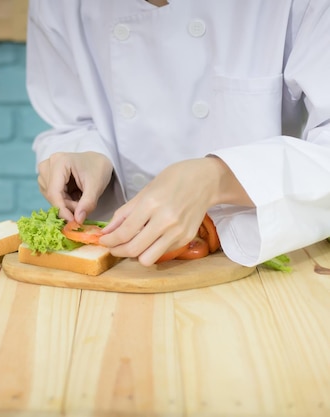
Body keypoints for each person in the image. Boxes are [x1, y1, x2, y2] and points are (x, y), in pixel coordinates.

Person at [26, 0, 330, 267]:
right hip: (125, 261)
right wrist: (88, 152)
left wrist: (219, 177)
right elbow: (70, 121)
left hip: (257, 258)